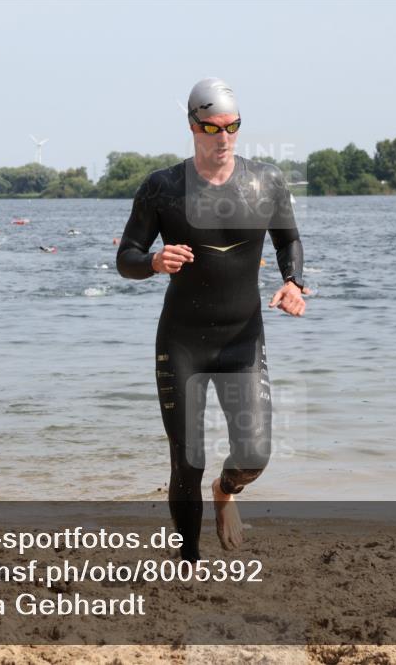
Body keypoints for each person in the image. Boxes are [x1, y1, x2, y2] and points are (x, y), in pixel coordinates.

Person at [116, 78, 307, 562]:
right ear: (191, 126)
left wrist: (293, 282)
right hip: (182, 342)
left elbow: (288, 240)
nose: (223, 138)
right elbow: (126, 257)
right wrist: (155, 262)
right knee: (187, 460)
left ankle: (226, 493)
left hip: (243, 340)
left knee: (254, 455)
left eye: (232, 127)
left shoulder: (266, 182)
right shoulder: (162, 187)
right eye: (211, 127)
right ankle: (188, 562)